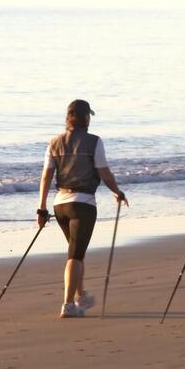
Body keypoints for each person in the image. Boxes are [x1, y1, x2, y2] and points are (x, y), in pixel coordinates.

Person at [37, 100, 128, 318]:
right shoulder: (94, 142)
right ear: (86, 118)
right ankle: (68, 304)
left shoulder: (54, 143)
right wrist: (117, 191)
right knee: (75, 255)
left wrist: (41, 208)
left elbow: (46, 177)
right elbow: (104, 172)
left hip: (60, 205)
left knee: (76, 252)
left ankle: (81, 297)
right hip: (83, 204)